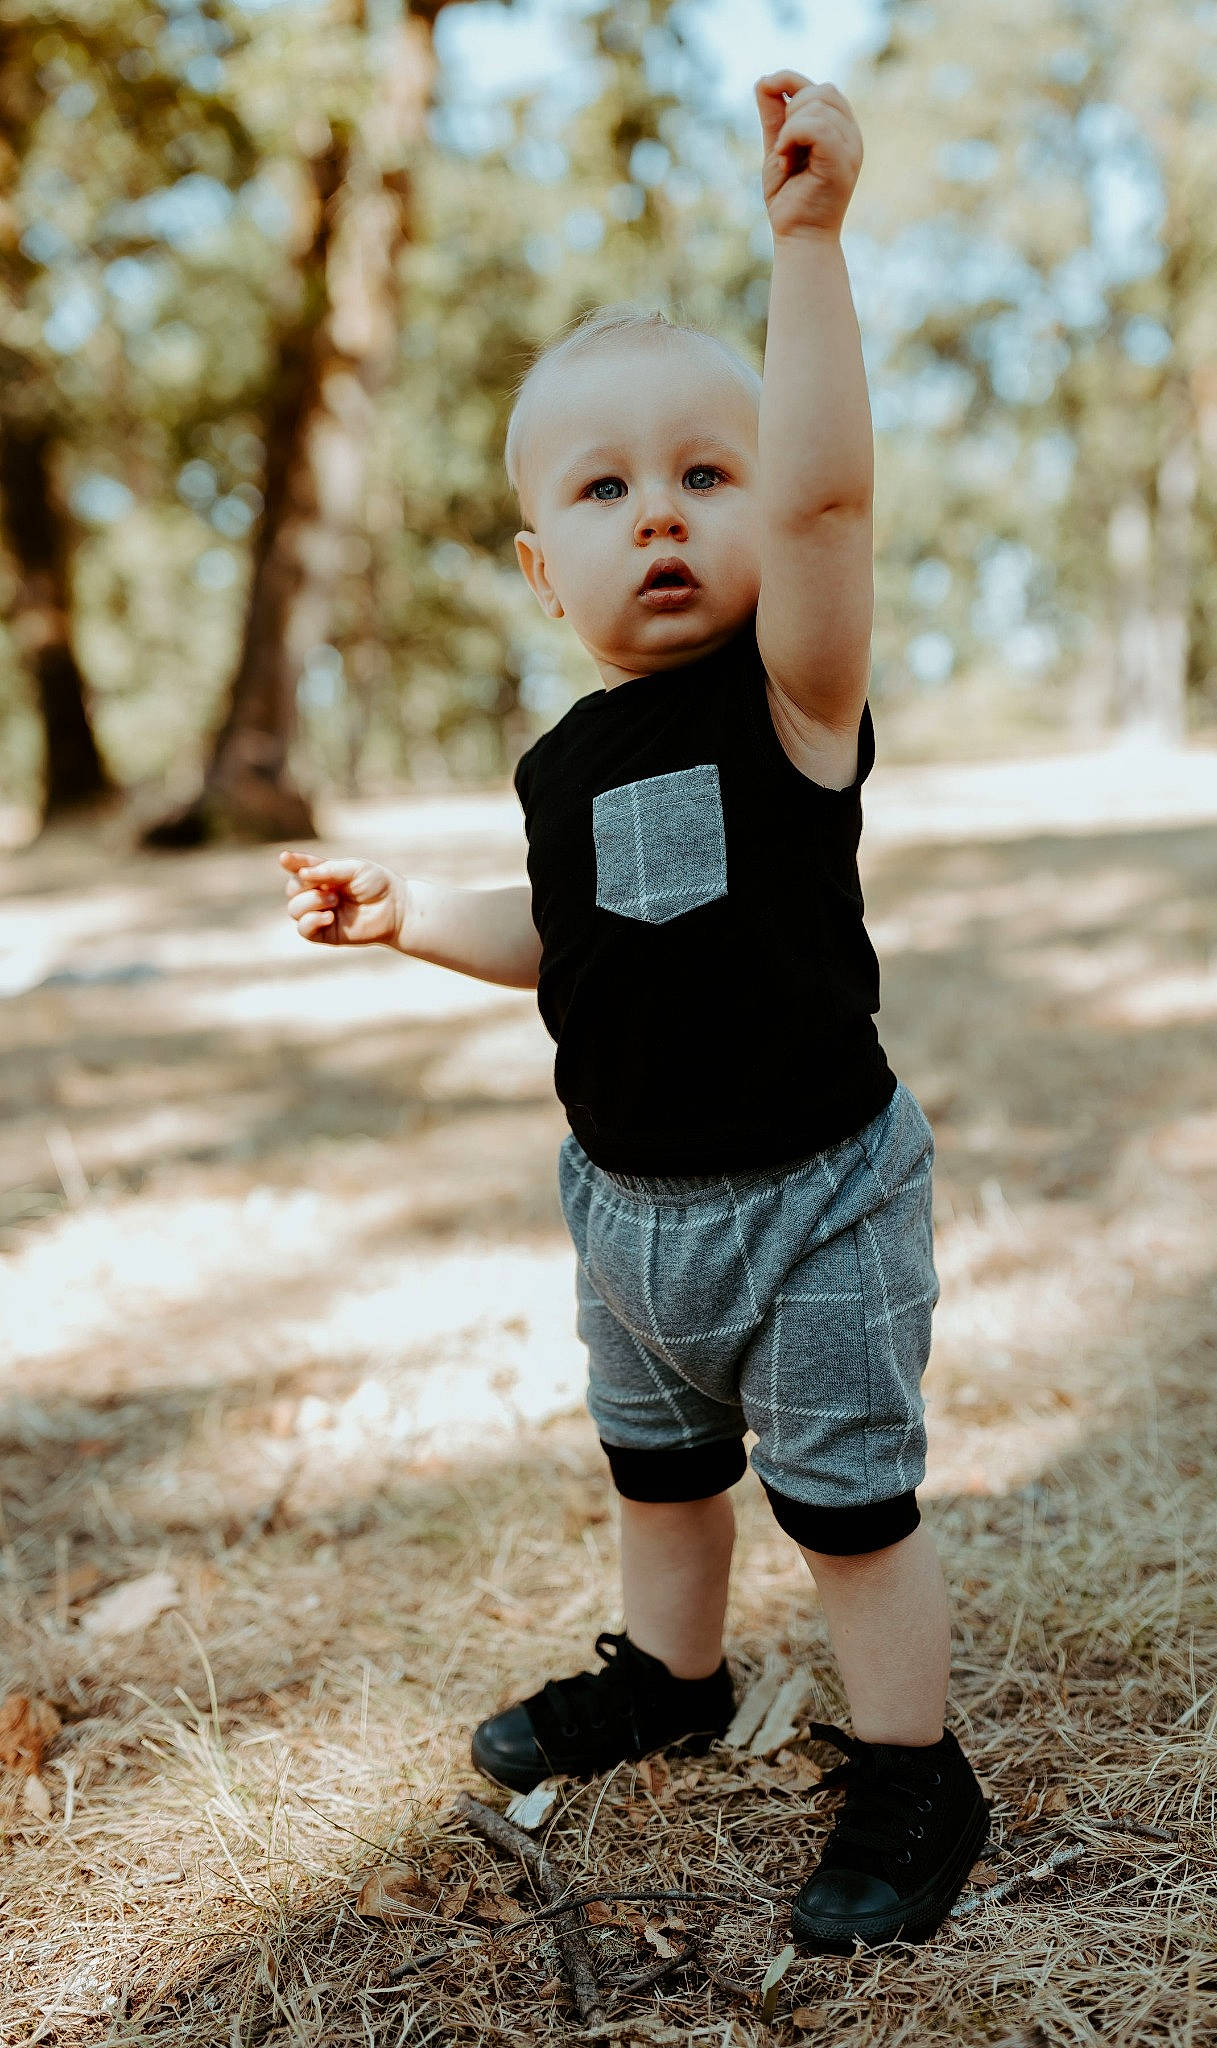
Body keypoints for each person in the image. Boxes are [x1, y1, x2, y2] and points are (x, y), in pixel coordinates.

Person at [280, 70, 988, 1952]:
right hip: (626, 1217)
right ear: (541, 569)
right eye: (604, 490)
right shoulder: (561, 758)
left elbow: (833, 492)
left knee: (845, 1512)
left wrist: (809, 244)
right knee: (659, 1477)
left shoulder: (790, 698)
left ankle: (913, 1768)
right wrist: (413, 915)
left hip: (814, 1199)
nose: (659, 517)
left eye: (705, 473)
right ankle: (669, 1679)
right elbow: (570, 943)